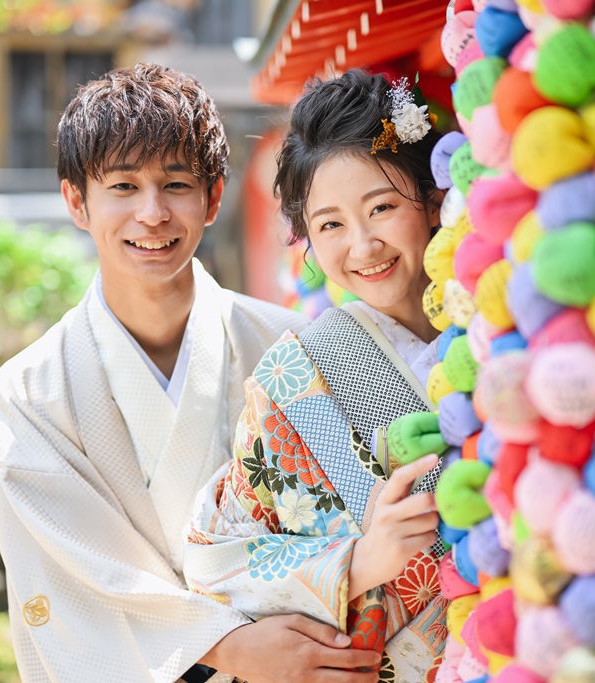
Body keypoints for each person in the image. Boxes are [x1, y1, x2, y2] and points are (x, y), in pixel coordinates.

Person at [0, 64, 384, 683]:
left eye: (175, 184)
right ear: (75, 201)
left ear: (213, 198)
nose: (152, 214)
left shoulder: (294, 346)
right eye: (121, 186)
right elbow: (71, 572)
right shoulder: (30, 392)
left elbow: (357, 518)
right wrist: (225, 645)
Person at [183, 69, 449, 683]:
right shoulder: (297, 376)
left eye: (381, 208)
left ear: (433, 200)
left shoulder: (508, 322)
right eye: (329, 224)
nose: (362, 247)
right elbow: (215, 558)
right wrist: (356, 563)